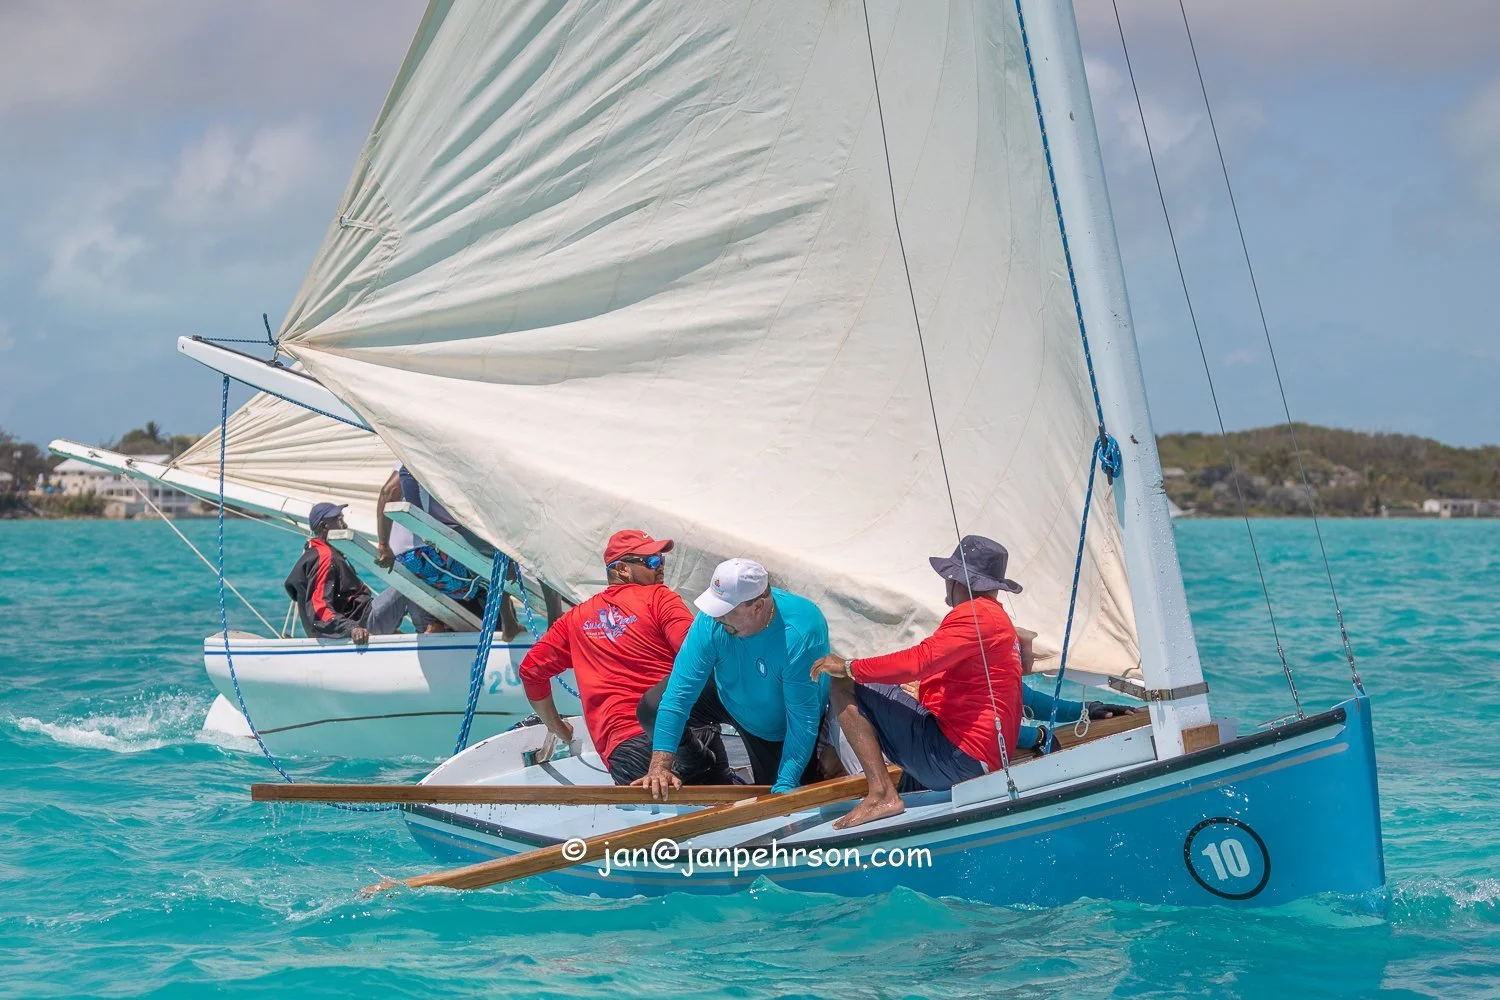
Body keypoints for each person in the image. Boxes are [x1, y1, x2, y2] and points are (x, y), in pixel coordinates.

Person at [810, 535, 1025, 829]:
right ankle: (901, 794)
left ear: (958, 580)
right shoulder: (998, 620)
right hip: (982, 760)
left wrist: (849, 667)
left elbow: (919, 662)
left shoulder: (974, 614)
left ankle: (881, 795)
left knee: (843, 684)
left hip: (959, 761)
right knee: (901, 705)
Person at [517, 530, 734, 785]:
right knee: (735, 810)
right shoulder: (659, 598)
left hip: (627, 750)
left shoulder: (574, 619)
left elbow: (531, 671)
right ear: (621, 569)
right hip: (684, 733)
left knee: (661, 819)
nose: (660, 568)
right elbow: (699, 654)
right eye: (651, 562)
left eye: (662, 560)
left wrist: (557, 727)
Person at [636, 558, 830, 797]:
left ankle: (823, 759)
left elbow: (802, 720)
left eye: (724, 610)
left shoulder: (801, 632)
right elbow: (678, 695)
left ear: (758, 606)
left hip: (778, 725)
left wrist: (786, 785)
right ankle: (703, 770)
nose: (715, 617)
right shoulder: (712, 620)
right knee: (652, 707)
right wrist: (659, 767)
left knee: (781, 793)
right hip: (727, 694)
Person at [283, 502, 411, 643]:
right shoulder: (325, 556)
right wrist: (351, 629)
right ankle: (431, 631)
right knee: (413, 584)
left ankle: (426, 633)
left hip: (361, 621)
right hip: (363, 624)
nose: (344, 525)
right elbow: (319, 607)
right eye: (339, 521)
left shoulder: (317, 553)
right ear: (325, 527)